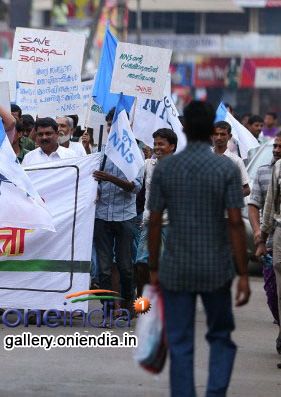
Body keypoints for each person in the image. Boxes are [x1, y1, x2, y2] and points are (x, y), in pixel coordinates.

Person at [148, 100, 250, 397]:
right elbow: (235, 222)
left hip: (176, 267)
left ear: (184, 130)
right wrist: (243, 273)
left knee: (180, 339)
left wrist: (154, 268)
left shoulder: (166, 168)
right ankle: (215, 392)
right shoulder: (226, 167)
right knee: (220, 336)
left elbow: (154, 222)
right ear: (210, 131)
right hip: (216, 268)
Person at [92, 109, 144, 321]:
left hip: (125, 217)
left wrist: (109, 178)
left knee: (125, 266)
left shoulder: (135, 155)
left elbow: (135, 187)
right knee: (104, 268)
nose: (112, 129)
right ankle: (108, 308)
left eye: (116, 125)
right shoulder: (101, 153)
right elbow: (91, 181)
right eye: (109, 125)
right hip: (102, 216)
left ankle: (127, 302)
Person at [136, 128, 177, 297]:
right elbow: (140, 191)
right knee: (141, 262)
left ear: (172, 146)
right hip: (149, 223)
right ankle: (142, 300)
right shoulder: (148, 165)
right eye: (155, 144)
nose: (157, 147)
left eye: (161, 144)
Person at [249, 131, 281, 331]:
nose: (276, 150)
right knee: (273, 291)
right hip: (271, 242)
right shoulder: (264, 172)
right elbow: (258, 206)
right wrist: (259, 235)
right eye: (275, 146)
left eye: (280, 147)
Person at [212, 121, 251, 197]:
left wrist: (230, 198)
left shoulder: (236, 161)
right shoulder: (206, 157)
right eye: (216, 134)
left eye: (222, 134)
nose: (219, 137)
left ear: (229, 136)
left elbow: (246, 189)